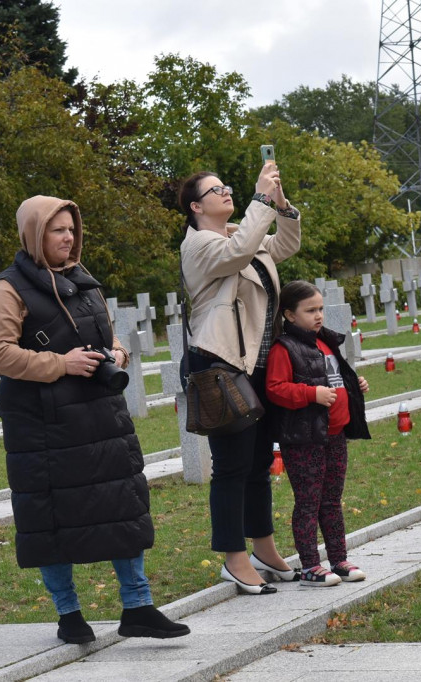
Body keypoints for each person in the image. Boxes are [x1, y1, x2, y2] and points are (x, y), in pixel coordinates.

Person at [0, 195, 189, 644]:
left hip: (101, 417)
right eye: (58, 230)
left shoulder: (85, 281)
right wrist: (60, 364)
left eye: (71, 229)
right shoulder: (7, 289)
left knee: (122, 507)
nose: (68, 237)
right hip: (43, 426)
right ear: (35, 234)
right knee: (51, 517)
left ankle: (138, 606)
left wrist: (117, 351)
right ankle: (68, 615)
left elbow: (105, 333)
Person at [178, 163, 301, 594]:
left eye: (228, 187)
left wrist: (280, 202)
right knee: (231, 468)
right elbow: (241, 252)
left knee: (259, 465)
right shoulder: (200, 246)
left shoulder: (238, 234)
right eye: (216, 190)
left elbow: (284, 243)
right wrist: (261, 200)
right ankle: (233, 558)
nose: (226, 192)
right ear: (196, 206)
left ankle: (264, 549)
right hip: (221, 363)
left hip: (260, 364)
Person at [265, 280, 371, 586]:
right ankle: (311, 565)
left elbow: (334, 378)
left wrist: (354, 387)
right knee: (309, 501)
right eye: (310, 310)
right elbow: (275, 389)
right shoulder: (285, 348)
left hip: (334, 434)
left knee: (332, 500)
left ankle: (338, 560)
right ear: (289, 314)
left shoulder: (326, 341)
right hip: (303, 438)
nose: (319, 315)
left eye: (321, 309)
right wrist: (312, 394)